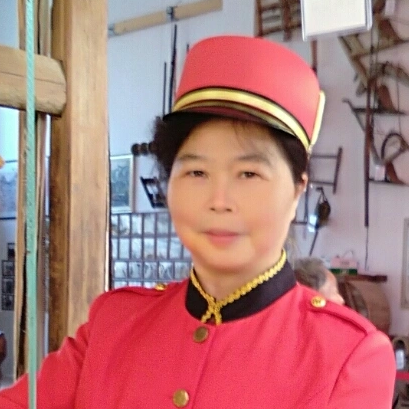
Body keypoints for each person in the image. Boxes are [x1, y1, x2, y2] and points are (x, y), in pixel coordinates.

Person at [0, 35, 395, 408]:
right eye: (196, 173)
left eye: (249, 174)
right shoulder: (115, 323)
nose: (219, 201)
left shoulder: (347, 355)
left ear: (296, 192)